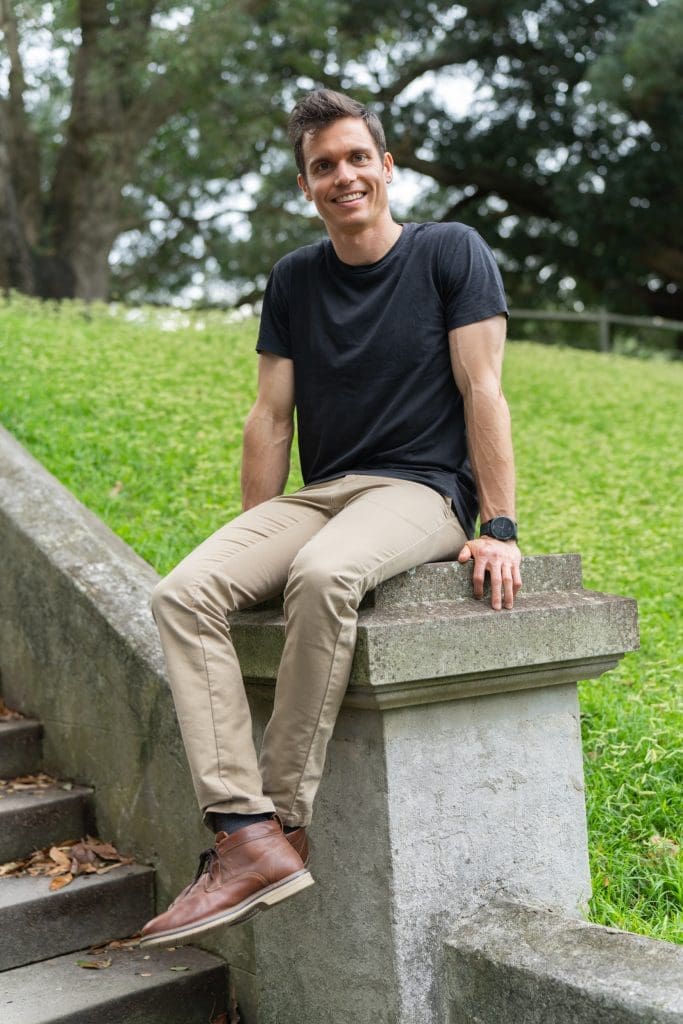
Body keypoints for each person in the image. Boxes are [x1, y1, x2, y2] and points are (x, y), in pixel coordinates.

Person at [140, 89, 522, 949]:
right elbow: (270, 415)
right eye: (323, 166)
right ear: (305, 186)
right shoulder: (294, 278)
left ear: (385, 166)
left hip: (421, 490)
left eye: (356, 158)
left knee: (324, 573)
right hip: (323, 492)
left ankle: (283, 819)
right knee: (182, 594)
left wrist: (497, 527)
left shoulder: (449, 251)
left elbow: (482, 389)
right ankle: (242, 831)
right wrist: (253, 539)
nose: (343, 176)